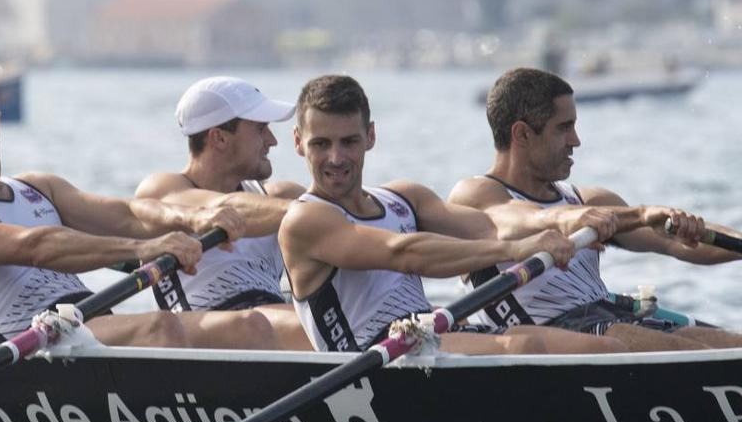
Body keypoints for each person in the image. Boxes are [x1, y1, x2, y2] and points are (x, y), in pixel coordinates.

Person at [279, 74, 623, 355]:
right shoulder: (305, 220)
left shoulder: (403, 196)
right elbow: (404, 252)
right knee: (525, 345)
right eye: (320, 144)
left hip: (424, 335)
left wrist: (562, 219)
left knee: (604, 348)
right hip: (371, 358)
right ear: (298, 142)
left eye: (349, 142)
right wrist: (516, 250)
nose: (336, 158)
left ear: (370, 136)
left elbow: (490, 225)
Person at [0, 67, 244, 348]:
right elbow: (36, 247)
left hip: (82, 334)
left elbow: (128, 214)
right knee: (160, 327)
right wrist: (148, 247)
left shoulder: (39, 188)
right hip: (24, 361)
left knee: (240, 326)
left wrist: (195, 218)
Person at [448, 67, 742, 350]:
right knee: (631, 337)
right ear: (522, 134)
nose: (576, 141)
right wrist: (638, 214)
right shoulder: (476, 195)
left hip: (607, 317)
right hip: (545, 335)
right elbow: (519, 219)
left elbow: (678, 244)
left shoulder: (589, 201)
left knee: (726, 342)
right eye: (563, 128)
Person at [135, 76, 309, 350]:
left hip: (269, 323)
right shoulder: (162, 189)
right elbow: (222, 209)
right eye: (261, 129)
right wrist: (311, 215)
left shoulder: (280, 196)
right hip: (200, 334)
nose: (273, 141)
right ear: (219, 138)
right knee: (261, 325)